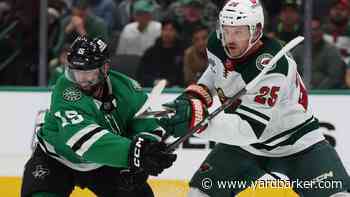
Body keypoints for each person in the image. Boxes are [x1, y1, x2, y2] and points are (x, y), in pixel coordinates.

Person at [159, 0, 350, 196]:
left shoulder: (273, 67)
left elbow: (250, 130)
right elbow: (216, 70)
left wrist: (201, 125)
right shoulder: (217, 43)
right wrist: (197, 94)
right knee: (198, 194)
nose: (230, 39)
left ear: (256, 31)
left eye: (238, 32)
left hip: (297, 143)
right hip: (245, 148)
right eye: (226, 30)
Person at [21, 36, 176, 197]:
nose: (82, 81)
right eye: (76, 73)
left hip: (104, 162)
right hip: (56, 160)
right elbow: (82, 139)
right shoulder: (65, 91)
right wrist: (134, 154)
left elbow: (146, 124)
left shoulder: (128, 89)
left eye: (89, 73)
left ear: (105, 68)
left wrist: (148, 150)